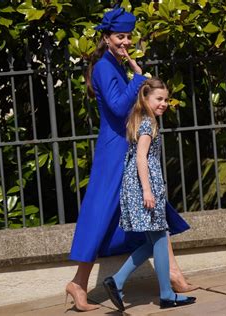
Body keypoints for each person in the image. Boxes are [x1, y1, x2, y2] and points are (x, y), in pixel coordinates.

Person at [65, 7, 197, 312]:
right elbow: (116, 108)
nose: (125, 42)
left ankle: (172, 275)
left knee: (156, 211)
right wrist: (139, 79)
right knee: (100, 218)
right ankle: (79, 284)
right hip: (114, 150)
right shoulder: (103, 67)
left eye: (128, 37)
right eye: (119, 37)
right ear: (107, 38)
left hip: (124, 145)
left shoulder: (114, 64)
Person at [103, 78, 196, 311]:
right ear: (145, 99)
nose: (163, 103)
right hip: (144, 187)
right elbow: (140, 158)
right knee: (160, 239)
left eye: (166, 99)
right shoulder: (147, 124)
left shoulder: (143, 120)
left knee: (154, 241)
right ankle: (165, 294)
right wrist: (147, 190)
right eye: (159, 99)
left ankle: (117, 281)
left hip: (140, 186)